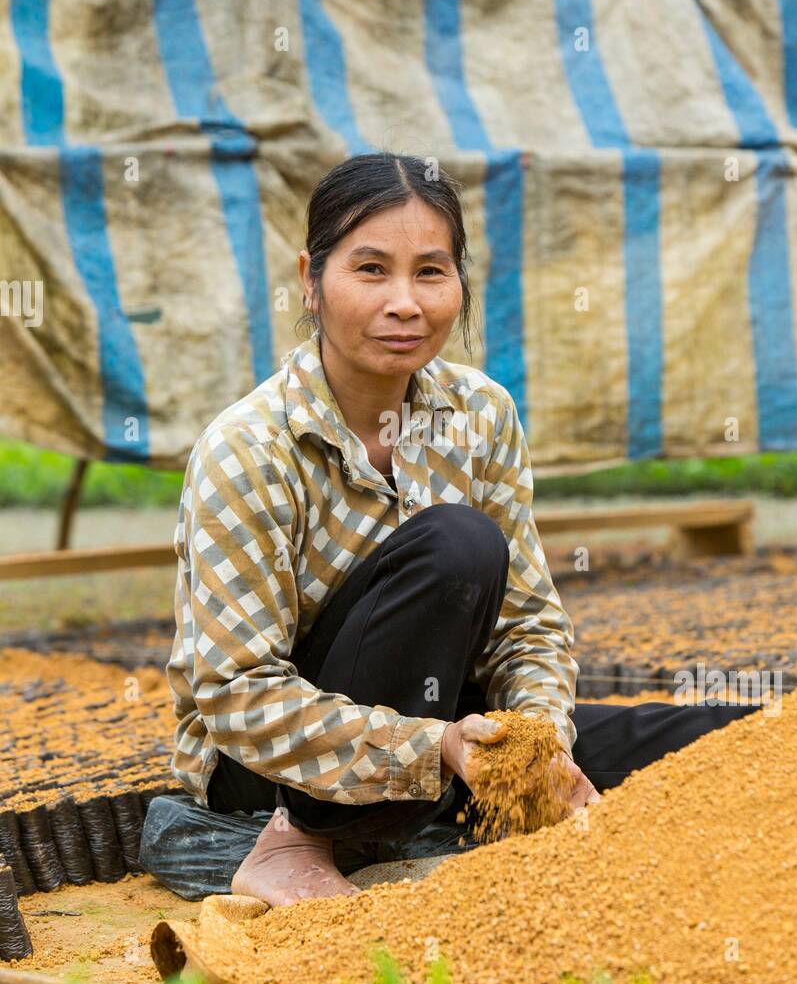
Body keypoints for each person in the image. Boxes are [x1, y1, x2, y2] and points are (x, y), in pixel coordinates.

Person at [165, 151, 760, 908]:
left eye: (431, 272)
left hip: (452, 732)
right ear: (311, 280)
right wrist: (429, 746)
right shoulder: (248, 448)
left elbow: (530, 626)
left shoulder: (481, 414)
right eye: (371, 270)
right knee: (459, 543)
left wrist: (535, 747)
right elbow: (234, 695)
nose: (405, 303)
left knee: (722, 737)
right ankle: (294, 843)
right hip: (278, 772)